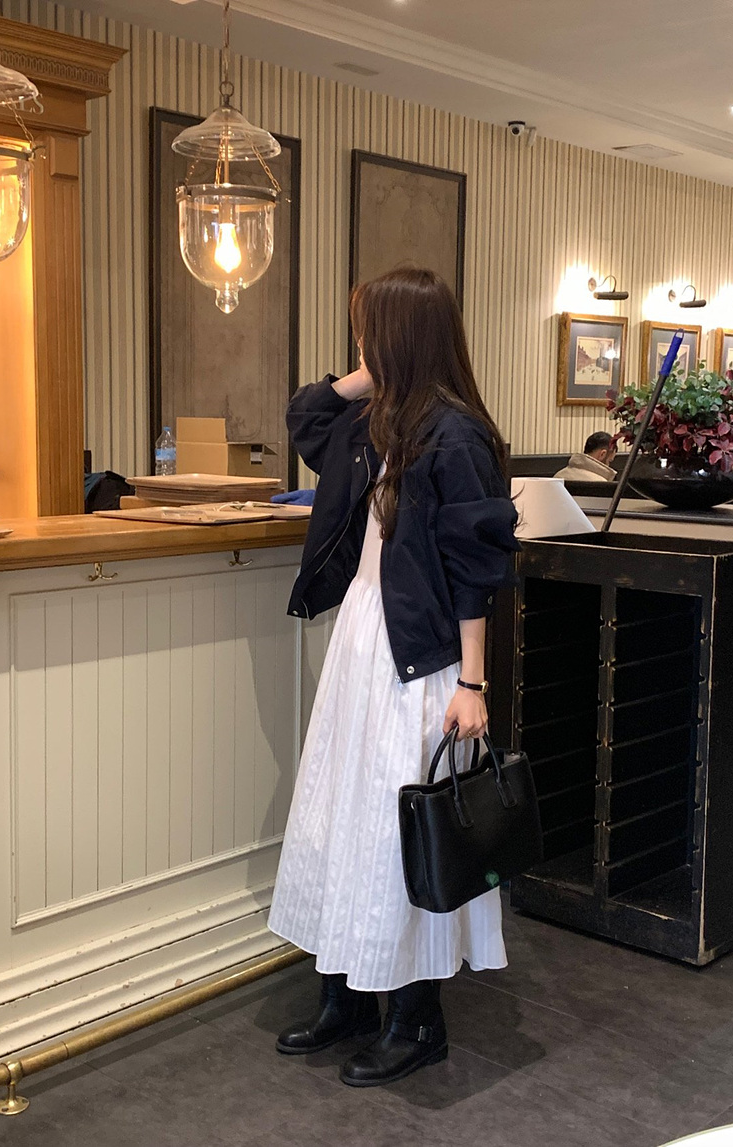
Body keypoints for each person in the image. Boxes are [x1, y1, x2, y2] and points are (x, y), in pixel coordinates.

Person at [267, 268, 519, 1088]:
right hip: (363, 640)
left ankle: (417, 1020)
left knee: (395, 832)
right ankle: (345, 994)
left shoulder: (456, 435)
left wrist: (473, 684)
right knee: (343, 819)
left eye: (369, 331)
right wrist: (364, 375)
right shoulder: (376, 420)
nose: (358, 345)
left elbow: (478, 566)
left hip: (422, 657)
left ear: (400, 337)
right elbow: (305, 416)